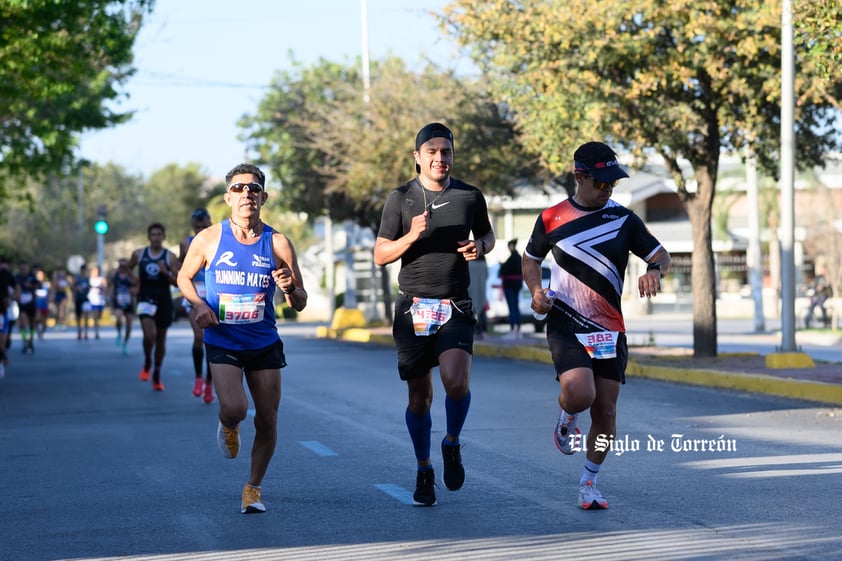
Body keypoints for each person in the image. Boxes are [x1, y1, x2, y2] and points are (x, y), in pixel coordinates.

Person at [522, 141, 671, 510]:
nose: (608, 190)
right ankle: (567, 414)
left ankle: (589, 483)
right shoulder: (551, 218)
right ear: (579, 176)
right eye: (601, 183)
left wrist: (655, 272)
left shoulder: (623, 219)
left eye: (613, 184)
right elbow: (530, 259)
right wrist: (536, 291)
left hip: (609, 328)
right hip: (566, 322)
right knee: (581, 395)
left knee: (605, 411)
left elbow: (662, 255)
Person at [373, 122, 496, 507]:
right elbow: (380, 254)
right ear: (418, 158)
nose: (440, 158)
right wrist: (410, 236)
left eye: (446, 152)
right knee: (419, 399)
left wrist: (481, 247)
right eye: (432, 152)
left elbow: (487, 235)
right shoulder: (401, 199)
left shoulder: (469, 196)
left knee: (456, 383)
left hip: (454, 304)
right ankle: (424, 468)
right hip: (413, 308)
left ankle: (452, 443)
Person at [178, 163, 307, 514]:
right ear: (227, 197)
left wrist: (290, 288)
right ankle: (227, 423)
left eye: (253, 189)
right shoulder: (209, 238)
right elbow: (184, 278)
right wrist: (198, 304)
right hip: (224, 339)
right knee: (235, 408)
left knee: (267, 419)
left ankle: (253, 488)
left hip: (263, 341)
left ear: (263, 197)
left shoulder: (278, 242)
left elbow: (300, 302)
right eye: (238, 189)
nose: (246, 194)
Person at [128, 223, 179, 391]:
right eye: (153, 234)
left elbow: (178, 281)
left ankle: (156, 372)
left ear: (164, 237)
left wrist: (166, 273)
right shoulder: (139, 254)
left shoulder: (169, 257)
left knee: (160, 338)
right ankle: (148, 359)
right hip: (145, 298)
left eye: (159, 234)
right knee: (150, 335)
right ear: (148, 237)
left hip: (164, 299)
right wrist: (134, 280)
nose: (156, 237)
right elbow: (127, 268)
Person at [179, 208, 214, 403]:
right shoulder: (186, 242)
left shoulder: (217, 240)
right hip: (194, 294)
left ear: (210, 223)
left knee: (211, 340)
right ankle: (198, 378)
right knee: (199, 335)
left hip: (213, 294)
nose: (200, 229)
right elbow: (180, 266)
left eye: (204, 226)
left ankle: (210, 383)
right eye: (197, 226)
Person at [110, 258, 138, 355]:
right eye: (121, 266)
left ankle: (125, 343)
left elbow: (137, 285)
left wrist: (133, 291)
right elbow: (111, 286)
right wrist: (111, 294)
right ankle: (118, 333)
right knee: (118, 318)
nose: (122, 268)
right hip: (118, 301)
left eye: (124, 266)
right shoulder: (115, 275)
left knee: (129, 325)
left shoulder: (131, 276)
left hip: (129, 302)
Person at [499, 239, 524, 338]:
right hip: (517, 285)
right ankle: (518, 329)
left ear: (512, 246)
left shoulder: (512, 258)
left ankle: (513, 329)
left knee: (512, 307)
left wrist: (502, 266)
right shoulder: (519, 258)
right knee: (516, 307)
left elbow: (504, 270)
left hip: (510, 285)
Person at [0, 257, 18, 378]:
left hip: (1, 313)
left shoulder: (5, 274)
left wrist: (12, 299)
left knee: (2, 343)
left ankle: (2, 357)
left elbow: (17, 288)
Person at [15, 262, 38, 354]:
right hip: (21, 303)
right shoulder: (16, 277)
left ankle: (31, 340)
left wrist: (31, 286)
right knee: (22, 320)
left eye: (25, 268)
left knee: (32, 322)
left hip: (31, 303)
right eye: (21, 269)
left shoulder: (32, 277)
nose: (23, 270)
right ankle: (24, 341)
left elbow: (38, 285)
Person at [467, 255, 488, 339]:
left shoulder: (469, 263)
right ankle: (482, 331)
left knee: (472, 311)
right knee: (481, 310)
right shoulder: (483, 263)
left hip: (471, 289)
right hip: (481, 289)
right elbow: (487, 275)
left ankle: (474, 331)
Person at [86, 265, 107, 340]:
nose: (96, 272)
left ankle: (97, 325)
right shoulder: (89, 279)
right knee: (95, 316)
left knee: (99, 316)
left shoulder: (101, 279)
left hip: (100, 300)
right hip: (92, 300)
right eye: (94, 271)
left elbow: (105, 289)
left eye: (97, 271)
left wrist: (102, 290)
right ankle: (96, 332)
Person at [72, 264, 91, 340]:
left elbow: (89, 287)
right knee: (79, 317)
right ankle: (79, 332)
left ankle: (86, 333)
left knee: (86, 316)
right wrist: (77, 288)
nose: (84, 272)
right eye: (83, 270)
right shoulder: (77, 278)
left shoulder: (87, 279)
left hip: (85, 299)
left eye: (85, 270)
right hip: (78, 299)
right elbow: (73, 287)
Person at [34, 268, 51, 340]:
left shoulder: (46, 284)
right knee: (38, 319)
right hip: (37, 305)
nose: (40, 276)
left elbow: (50, 294)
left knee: (45, 321)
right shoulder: (34, 284)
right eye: (38, 274)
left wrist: (50, 299)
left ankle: (42, 332)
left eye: (41, 274)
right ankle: (38, 332)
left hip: (45, 305)